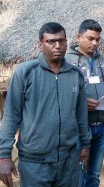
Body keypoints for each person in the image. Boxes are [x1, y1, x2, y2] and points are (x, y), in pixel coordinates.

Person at [0, 22, 92, 187]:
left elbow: (80, 114)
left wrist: (85, 144)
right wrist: (4, 156)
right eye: (51, 41)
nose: (58, 46)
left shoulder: (75, 74)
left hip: (68, 160)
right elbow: (11, 115)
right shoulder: (25, 72)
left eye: (62, 41)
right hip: (35, 163)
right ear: (40, 44)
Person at [65, 19, 104, 187]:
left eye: (98, 39)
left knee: (94, 176)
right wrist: (82, 102)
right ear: (78, 37)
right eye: (90, 38)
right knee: (78, 176)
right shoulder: (66, 62)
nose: (95, 43)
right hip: (78, 129)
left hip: (103, 127)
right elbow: (59, 94)